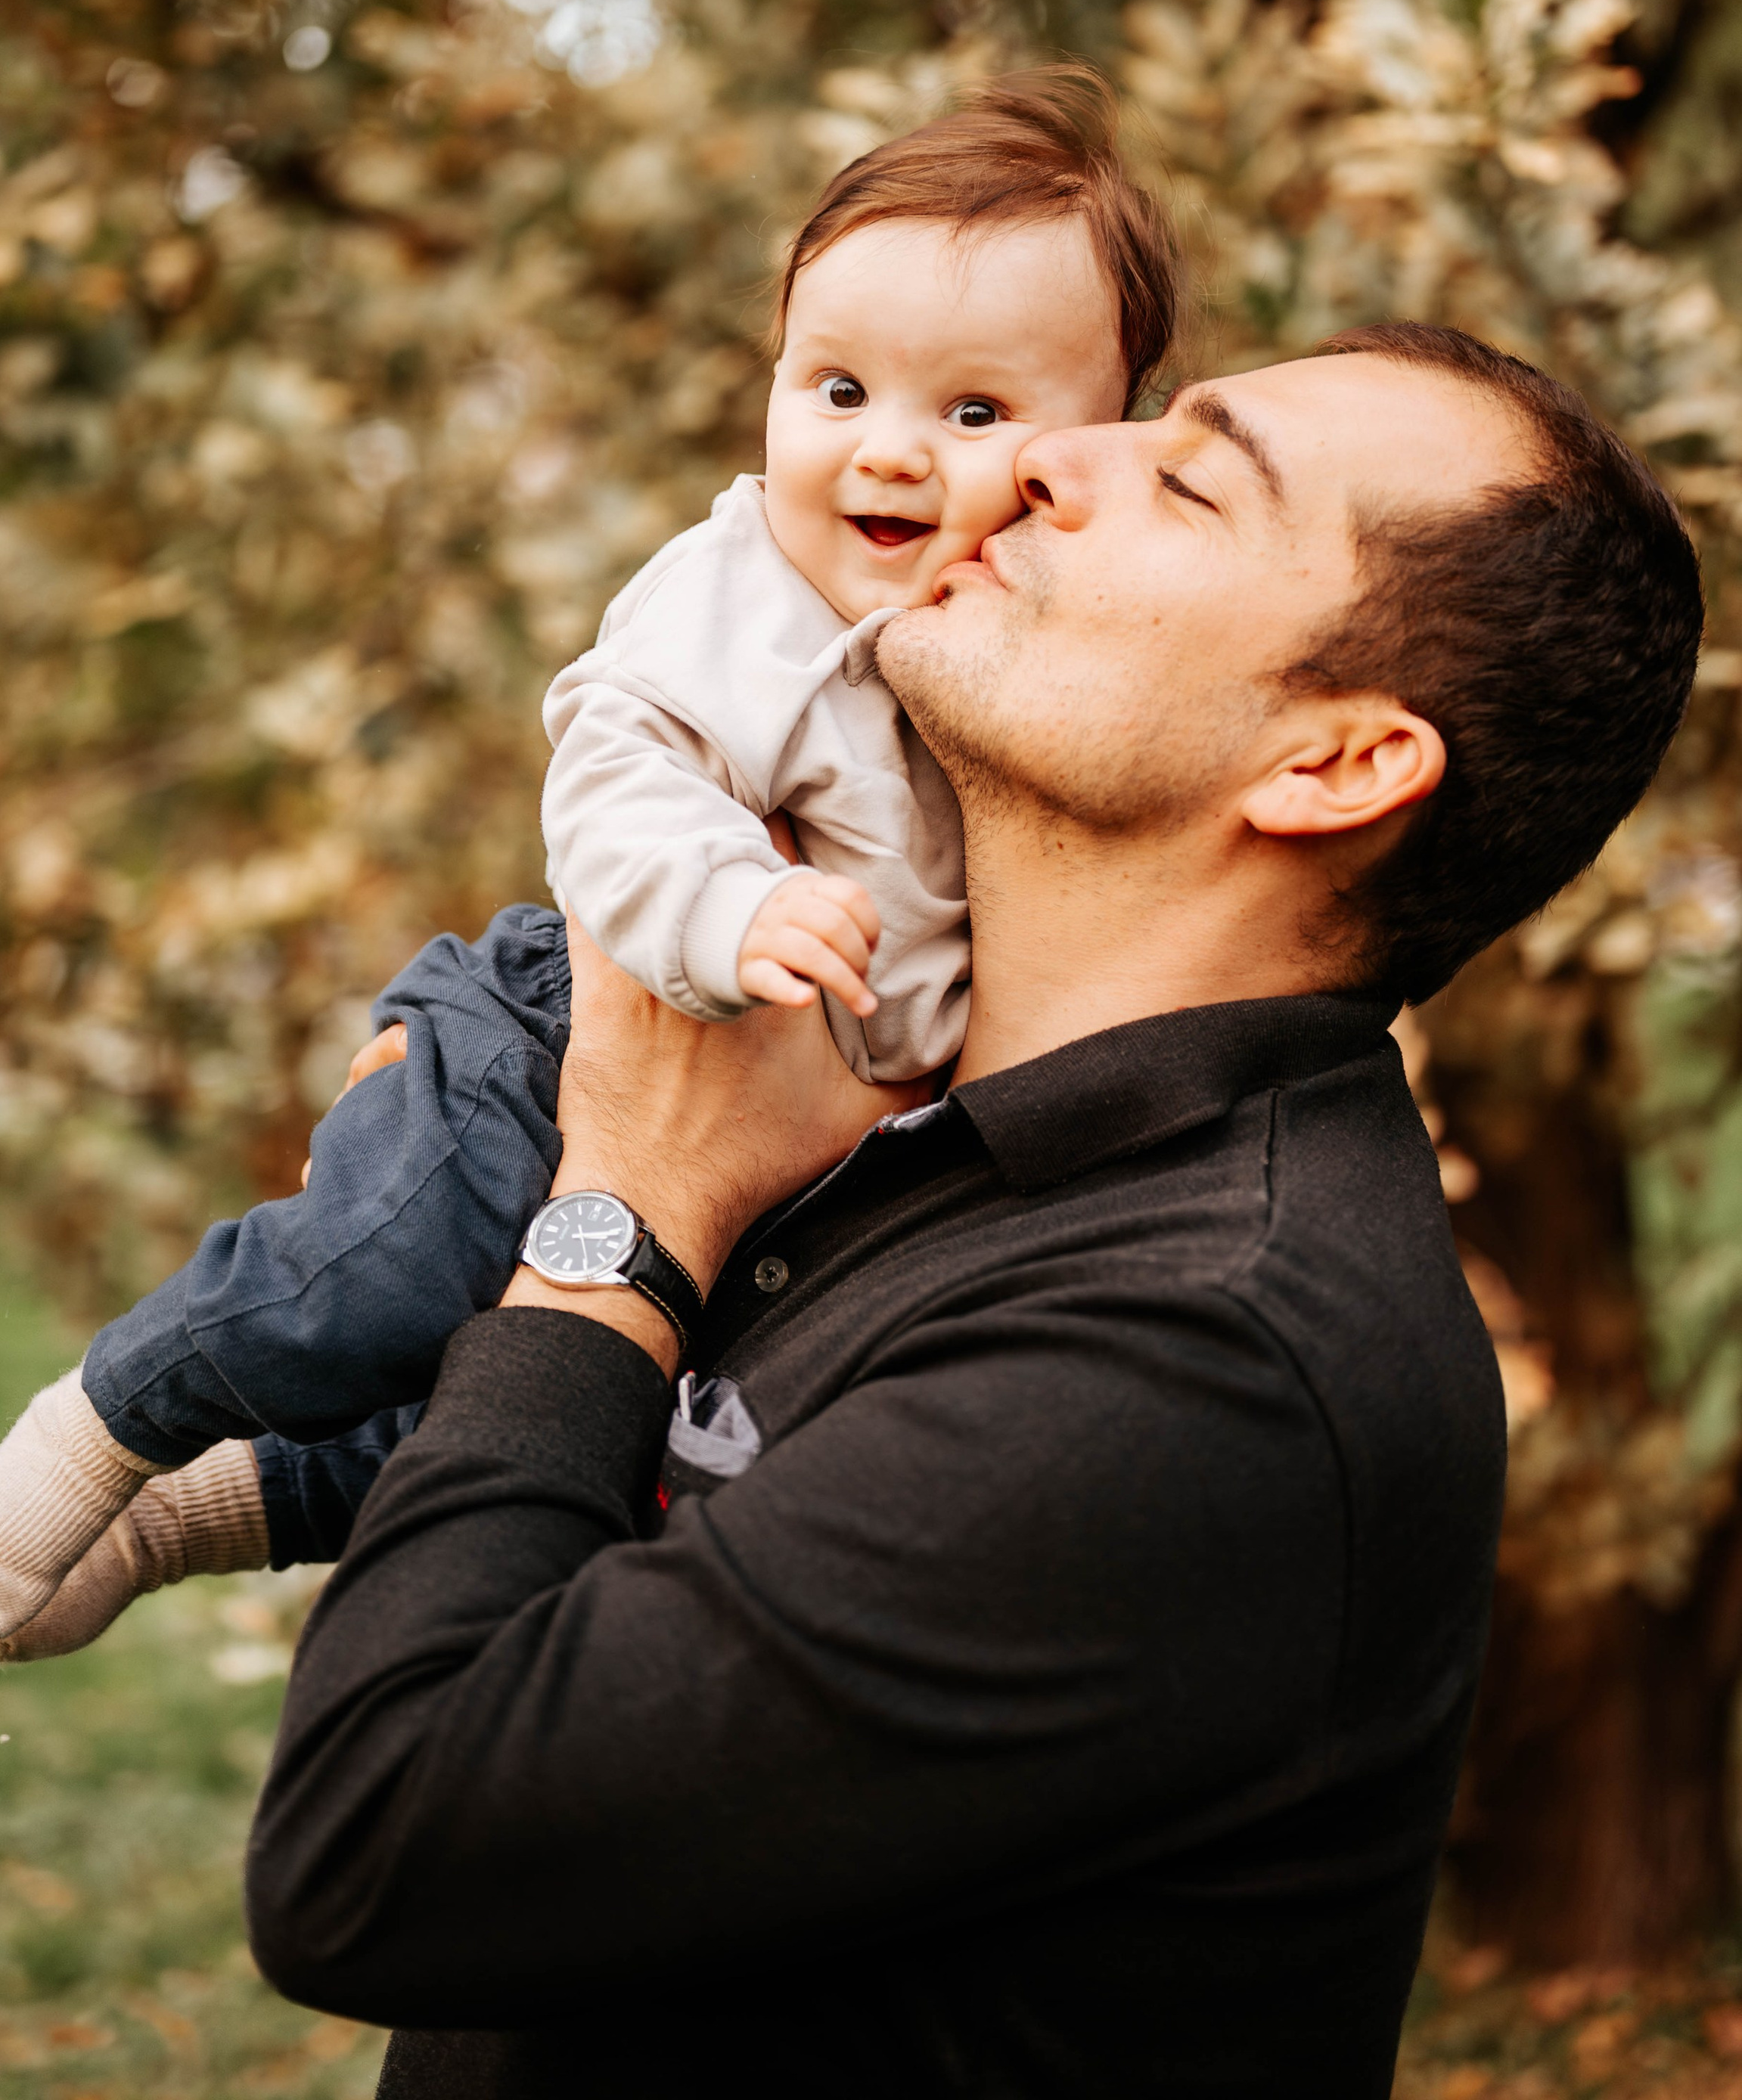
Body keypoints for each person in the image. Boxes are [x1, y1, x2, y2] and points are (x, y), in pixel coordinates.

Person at [232, 323, 1700, 2100]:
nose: (1039, 461)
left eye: (1184, 479)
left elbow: (379, 1843)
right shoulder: (917, 1132)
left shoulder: (1204, 1351)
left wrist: (617, 1220)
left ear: (1330, 767)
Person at [0, 70, 1180, 1655]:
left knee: (643, 1402)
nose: (888, 455)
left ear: (1104, 437)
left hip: (816, 1104)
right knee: (388, 1272)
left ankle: (230, 1500)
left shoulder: (1035, 633)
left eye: (976, 413)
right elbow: (614, 774)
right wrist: (727, 905)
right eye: (837, 389)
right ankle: (107, 1419)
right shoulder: (739, 592)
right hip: (572, 1014)